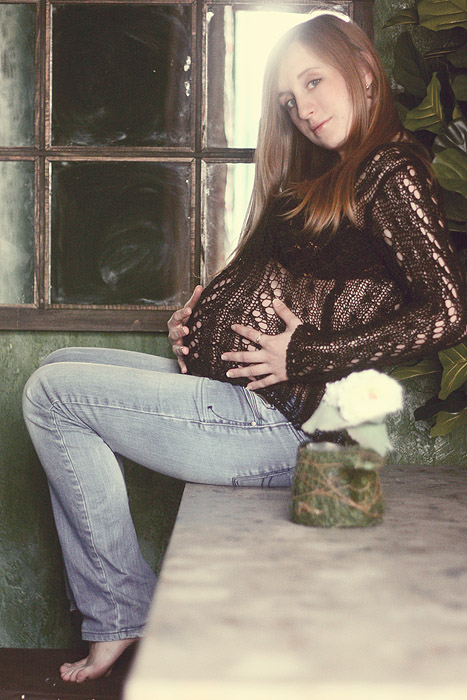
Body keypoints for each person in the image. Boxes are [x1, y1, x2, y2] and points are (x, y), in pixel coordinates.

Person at [22, 11, 466, 683]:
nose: (303, 110)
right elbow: (272, 284)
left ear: (363, 70)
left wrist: (303, 354)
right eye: (288, 99)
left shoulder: (390, 172)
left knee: (51, 394)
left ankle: (117, 612)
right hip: (242, 399)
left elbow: (447, 312)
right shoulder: (336, 174)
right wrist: (193, 329)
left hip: (281, 424)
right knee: (58, 368)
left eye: (313, 82)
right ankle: (119, 608)